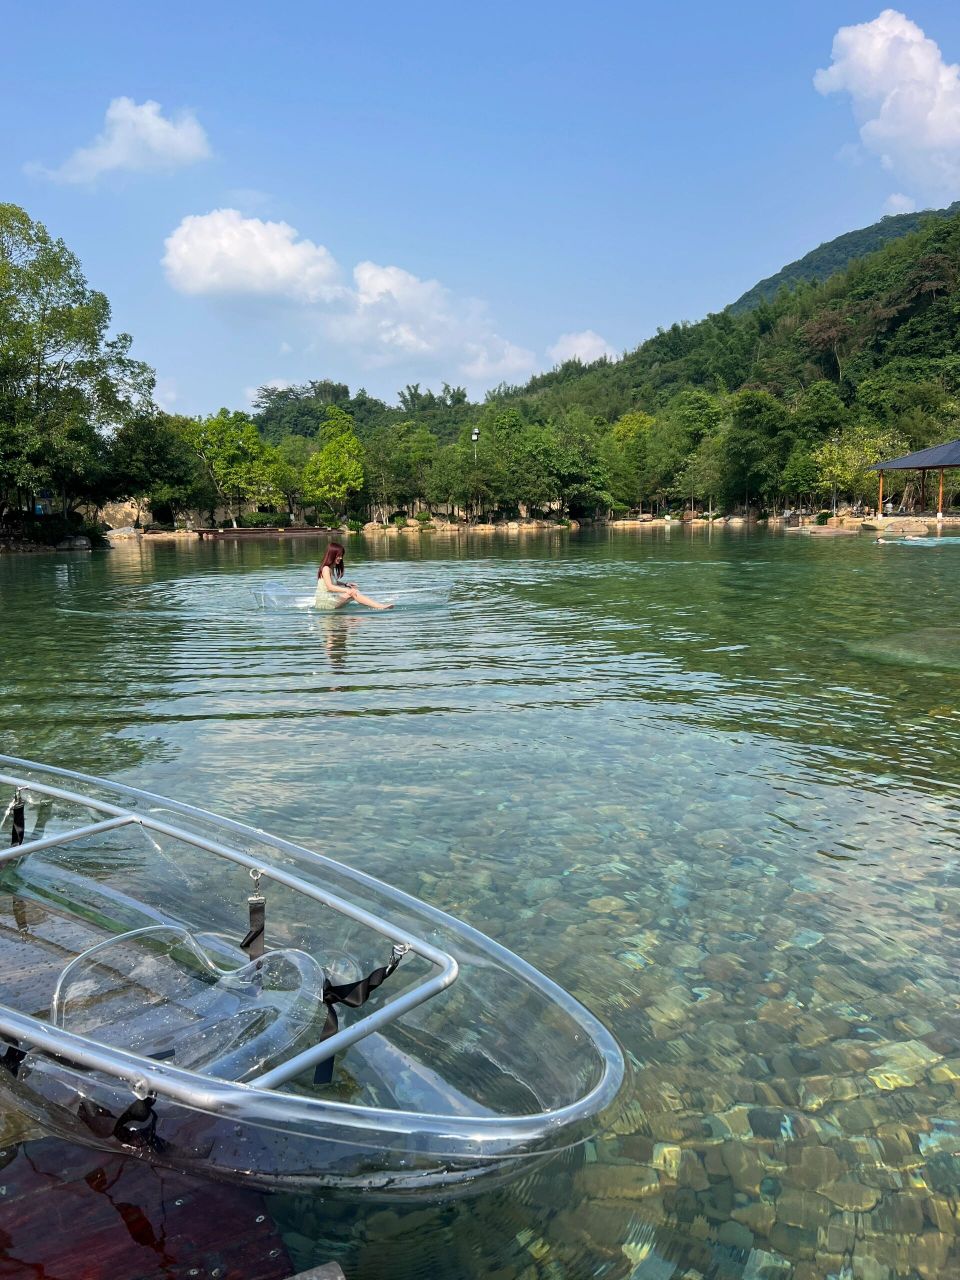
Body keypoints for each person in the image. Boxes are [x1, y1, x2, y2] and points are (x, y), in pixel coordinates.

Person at [314, 542, 393, 610]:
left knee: (354, 591)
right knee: (352, 592)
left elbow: (333, 581)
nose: (341, 558)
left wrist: (345, 584)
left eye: (341, 555)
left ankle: (372, 606)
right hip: (325, 603)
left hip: (330, 600)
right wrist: (346, 590)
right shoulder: (326, 569)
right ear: (332, 555)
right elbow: (329, 587)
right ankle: (379, 607)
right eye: (338, 556)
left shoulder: (330, 568)